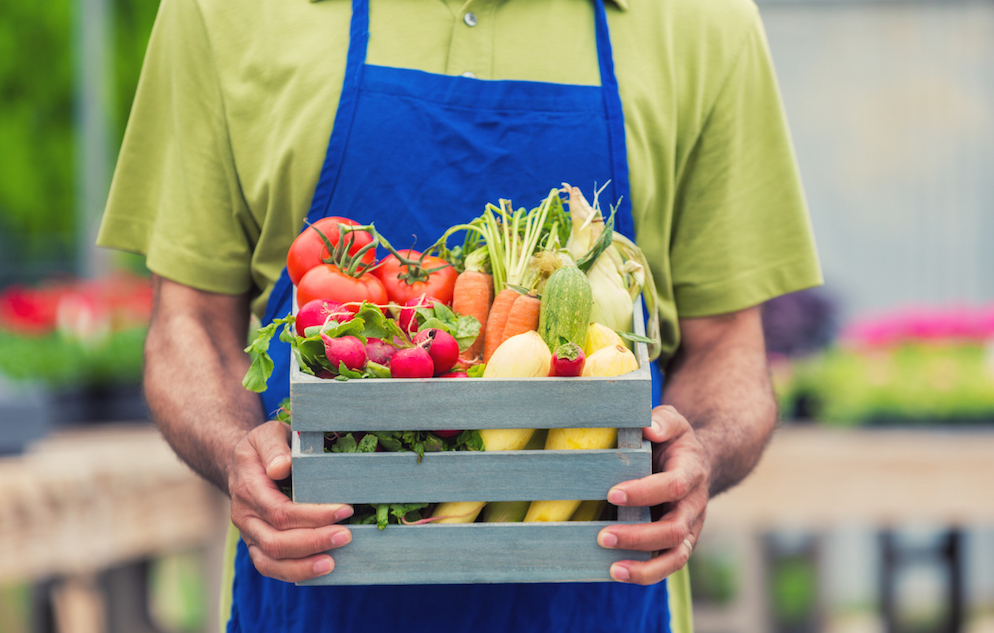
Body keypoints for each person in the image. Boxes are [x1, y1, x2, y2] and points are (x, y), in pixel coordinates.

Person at [97, 0, 821, 630]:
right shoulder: (221, 11)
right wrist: (237, 455)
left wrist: (699, 454)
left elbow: (731, 348)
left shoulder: (705, 23)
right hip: (315, 598)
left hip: (600, 601)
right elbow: (188, 323)